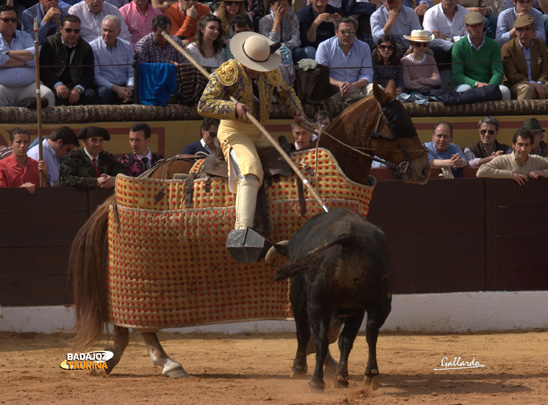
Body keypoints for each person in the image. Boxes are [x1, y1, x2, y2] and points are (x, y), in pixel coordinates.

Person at [197, 31, 305, 245]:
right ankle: (242, 231)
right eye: (255, 66)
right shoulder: (228, 71)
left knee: (291, 163)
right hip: (233, 131)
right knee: (250, 169)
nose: (259, 72)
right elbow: (204, 104)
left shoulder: (270, 71)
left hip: (260, 132)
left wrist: (297, 111)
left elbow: (285, 93)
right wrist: (232, 108)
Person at [0, 5, 55, 108]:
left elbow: (34, 57)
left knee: (47, 94)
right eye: (6, 20)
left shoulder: (25, 36)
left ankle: (47, 125)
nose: (10, 23)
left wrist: (7, 54)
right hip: (3, 87)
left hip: (29, 86)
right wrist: (24, 59)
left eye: (13, 20)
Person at [40, 15, 99, 106]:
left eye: (76, 31)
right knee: (58, 97)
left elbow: (89, 75)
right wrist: (57, 84)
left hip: (77, 85)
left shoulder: (86, 47)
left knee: (91, 95)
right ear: (60, 29)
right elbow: (44, 70)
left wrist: (78, 89)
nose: (72, 34)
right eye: (68, 30)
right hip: (55, 85)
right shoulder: (49, 43)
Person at [452, 12, 511, 101]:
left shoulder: (493, 45)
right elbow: (457, 75)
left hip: (488, 85)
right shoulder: (459, 46)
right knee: (464, 90)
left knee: (505, 91)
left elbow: (498, 72)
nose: (477, 28)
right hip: (469, 85)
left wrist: (489, 87)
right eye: (473, 26)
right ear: (466, 27)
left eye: (479, 25)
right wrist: (476, 84)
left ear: (483, 26)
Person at [315, 16, 373, 102]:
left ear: (355, 33)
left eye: (350, 32)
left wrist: (352, 85)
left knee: (377, 89)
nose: (347, 35)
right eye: (343, 32)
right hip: (332, 89)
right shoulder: (324, 46)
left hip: (356, 87)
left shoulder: (364, 47)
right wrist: (340, 84)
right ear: (336, 32)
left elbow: (367, 75)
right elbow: (322, 75)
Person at [60, 126, 125, 189]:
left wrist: (115, 180)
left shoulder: (108, 158)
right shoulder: (73, 157)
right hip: (80, 199)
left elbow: (124, 176)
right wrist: (95, 182)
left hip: (107, 198)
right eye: (93, 140)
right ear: (84, 142)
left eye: (101, 140)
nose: (98, 144)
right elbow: (65, 179)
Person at [477, 127, 548, 185]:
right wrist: (510, 175)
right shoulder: (503, 160)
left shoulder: (537, 160)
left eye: (526, 145)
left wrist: (543, 172)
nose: (523, 149)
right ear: (513, 145)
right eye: (520, 144)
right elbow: (481, 171)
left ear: (531, 146)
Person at [90, 15, 135, 105]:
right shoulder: (93, 47)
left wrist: (130, 88)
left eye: (110, 31)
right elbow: (96, 76)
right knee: (104, 93)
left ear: (118, 32)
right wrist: (116, 88)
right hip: (106, 86)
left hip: (124, 85)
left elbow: (131, 73)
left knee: (138, 91)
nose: (106, 34)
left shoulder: (127, 46)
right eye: (104, 30)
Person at [501, 15, 548, 100]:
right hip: (516, 85)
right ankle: (521, 113)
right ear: (515, 32)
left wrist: (539, 83)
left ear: (534, 32)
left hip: (539, 83)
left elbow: (545, 70)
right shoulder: (508, 48)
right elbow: (512, 75)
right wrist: (534, 84)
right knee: (527, 88)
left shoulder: (540, 45)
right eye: (520, 29)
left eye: (527, 29)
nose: (523, 33)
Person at [0, 128, 48, 193]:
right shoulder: (2, 166)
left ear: (29, 143)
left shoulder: (37, 165)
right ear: (11, 144)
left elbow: (45, 192)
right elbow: (2, 193)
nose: (22, 145)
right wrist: (20, 190)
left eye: (25, 142)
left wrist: (45, 175)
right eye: (18, 142)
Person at [422, 0, 470, 64]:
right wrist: (452, 47)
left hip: (462, 49)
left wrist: (448, 39)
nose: (449, 0)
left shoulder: (465, 12)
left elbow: (470, 37)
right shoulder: (431, 13)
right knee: (436, 50)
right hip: (442, 51)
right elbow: (431, 40)